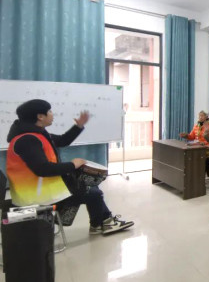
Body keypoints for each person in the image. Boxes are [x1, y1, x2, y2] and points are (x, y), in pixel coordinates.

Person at [5, 99, 134, 235]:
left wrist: (78, 126)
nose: (52, 114)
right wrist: (73, 164)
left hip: (42, 188)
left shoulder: (38, 134)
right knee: (93, 192)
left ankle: (101, 223)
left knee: (90, 187)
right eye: (49, 111)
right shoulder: (27, 139)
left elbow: (62, 140)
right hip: (35, 196)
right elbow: (43, 169)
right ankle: (103, 223)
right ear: (40, 116)